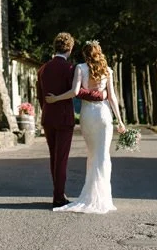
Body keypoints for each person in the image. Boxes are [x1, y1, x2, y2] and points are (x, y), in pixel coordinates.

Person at [44, 39, 126, 214]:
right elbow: (112, 97)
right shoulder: (108, 70)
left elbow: (75, 92)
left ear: (84, 54)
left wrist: (56, 98)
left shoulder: (80, 68)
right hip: (104, 115)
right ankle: (104, 198)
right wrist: (120, 120)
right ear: (99, 52)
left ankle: (90, 195)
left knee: (92, 155)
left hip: (88, 115)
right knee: (103, 155)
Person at [36, 32, 107, 209]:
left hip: (48, 116)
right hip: (64, 118)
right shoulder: (70, 68)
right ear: (71, 48)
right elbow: (78, 91)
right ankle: (58, 196)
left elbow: (39, 95)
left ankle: (58, 192)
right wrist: (101, 95)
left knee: (54, 157)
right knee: (61, 159)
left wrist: (46, 109)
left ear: (55, 47)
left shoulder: (43, 68)